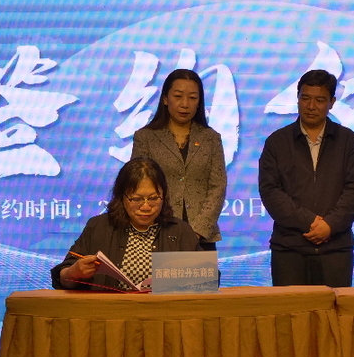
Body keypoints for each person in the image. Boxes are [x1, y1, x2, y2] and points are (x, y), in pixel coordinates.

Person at [258, 69, 354, 287]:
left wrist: (330, 225)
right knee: (292, 309)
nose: (311, 106)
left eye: (320, 100)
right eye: (305, 98)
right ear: (297, 98)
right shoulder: (277, 142)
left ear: (332, 102)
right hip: (290, 250)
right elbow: (270, 191)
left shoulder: (347, 140)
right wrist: (309, 221)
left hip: (335, 249)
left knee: (334, 309)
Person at [51, 157, 200, 291]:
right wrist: (74, 272)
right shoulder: (99, 227)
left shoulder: (180, 230)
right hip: (109, 310)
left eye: (153, 198)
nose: (146, 207)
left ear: (164, 196)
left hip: (163, 311)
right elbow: (63, 277)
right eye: (136, 199)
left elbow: (206, 278)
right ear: (121, 197)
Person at [132, 69, 227, 251]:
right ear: (165, 99)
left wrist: (196, 231)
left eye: (192, 98)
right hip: (156, 233)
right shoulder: (146, 137)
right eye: (178, 96)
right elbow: (137, 185)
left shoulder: (211, 138)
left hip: (201, 237)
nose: (185, 104)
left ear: (199, 102)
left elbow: (218, 186)